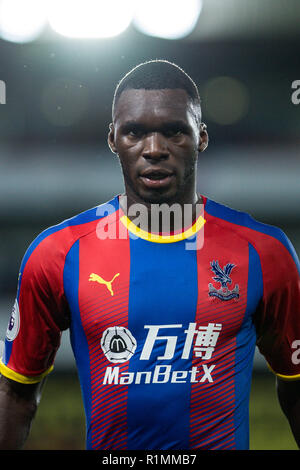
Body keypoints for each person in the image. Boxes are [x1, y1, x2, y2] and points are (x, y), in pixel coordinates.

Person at [0, 59, 299, 451]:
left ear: (202, 138)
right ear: (112, 139)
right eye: (135, 133)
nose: (154, 149)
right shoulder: (56, 253)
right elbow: (19, 392)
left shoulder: (265, 252)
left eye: (174, 131)